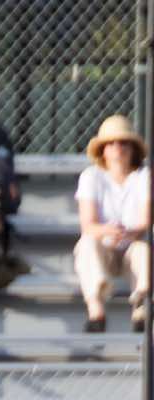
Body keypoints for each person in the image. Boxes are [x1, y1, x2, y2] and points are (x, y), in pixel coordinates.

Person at [73, 115, 151, 332]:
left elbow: (145, 222)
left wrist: (127, 233)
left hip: (131, 245)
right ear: (103, 150)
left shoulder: (144, 176)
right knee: (86, 244)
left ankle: (141, 306)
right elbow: (88, 225)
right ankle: (96, 311)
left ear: (133, 148)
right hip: (104, 247)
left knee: (143, 249)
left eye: (124, 142)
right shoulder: (91, 176)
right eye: (111, 143)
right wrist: (108, 231)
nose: (118, 147)